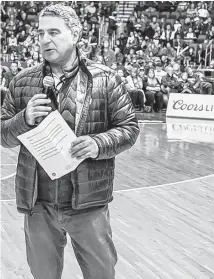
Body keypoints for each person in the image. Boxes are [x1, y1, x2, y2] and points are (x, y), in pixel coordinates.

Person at [1, 4, 139, 279]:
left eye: (53, 32)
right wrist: (23, 119)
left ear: (75, 35)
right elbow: (3, 134)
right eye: (40, 33)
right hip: (39, 203)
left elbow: (129, 128)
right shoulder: (21, 81)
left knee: (101, 274)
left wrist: (98, 144)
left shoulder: (106, 79)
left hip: (88, 204)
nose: (44, 39)